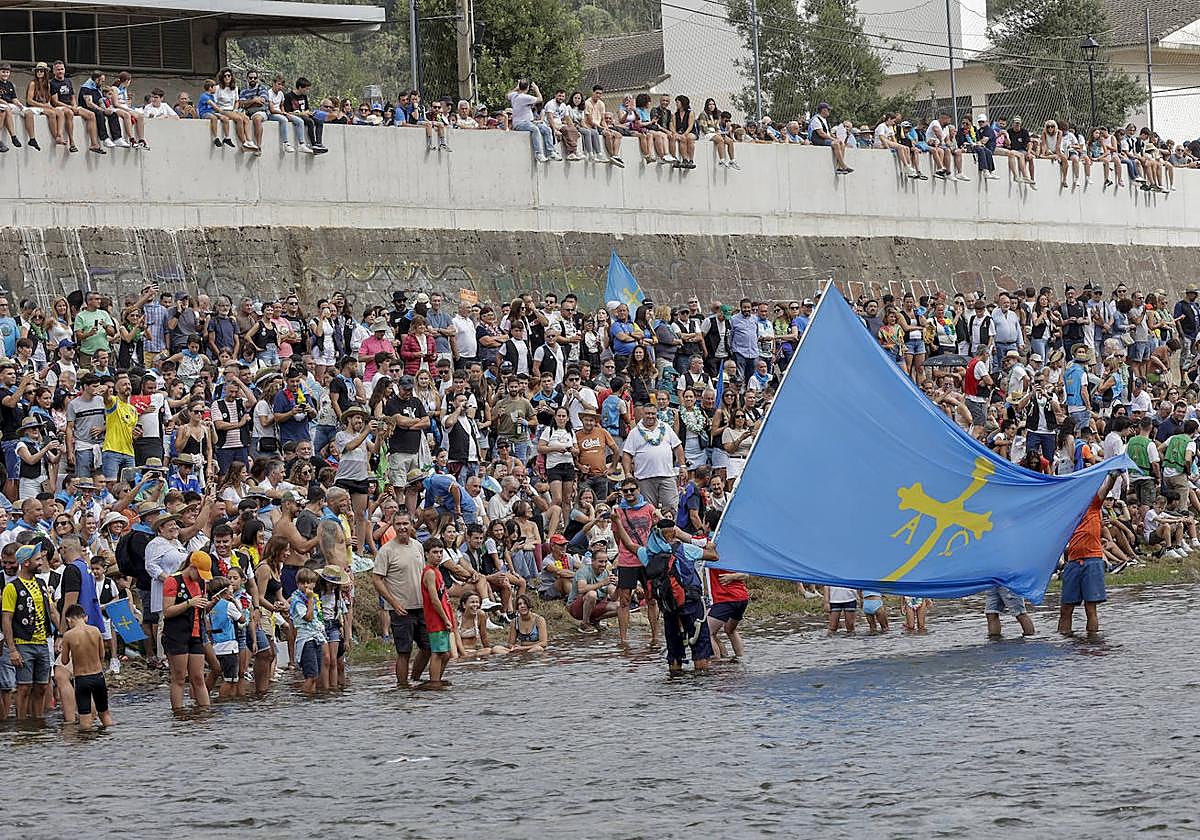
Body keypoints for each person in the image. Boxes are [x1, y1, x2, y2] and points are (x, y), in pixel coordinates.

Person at [1059, 471, 1120, 635]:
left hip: (1092, 560)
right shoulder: (1067, 511)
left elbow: (1106, 489)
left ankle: (1093, 643)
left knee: (1090, 608)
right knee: (1066, 608)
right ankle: (1064, 643)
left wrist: (1113, 476)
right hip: (1072, 561)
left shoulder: (1093, 504)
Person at [372, 512, 429, 688]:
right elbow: (377, 580)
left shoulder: (418, 546)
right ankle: (402, 686)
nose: (402, 527)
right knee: (404, 651)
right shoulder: (386, 550)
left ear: (411, 524)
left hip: (421, 606)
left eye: (405, 523)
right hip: (400, 608)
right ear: (393, 526)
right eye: (398, 524)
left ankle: (415, 679)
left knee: (428, 647)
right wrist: (393, 603)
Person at [1, 542, 56, 720]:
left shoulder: (41, 583)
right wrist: (12, 649)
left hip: (42, 642)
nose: (41, 562)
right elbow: (6, 619)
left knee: (41, 686)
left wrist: (61, 634)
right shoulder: (12, 587)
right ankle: (22, 724)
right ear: (26, 563)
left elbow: (52, 611)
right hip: (23, 643)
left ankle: (38, 722)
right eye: (37, 559)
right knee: (24, 687)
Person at [161, 549, 214, 710]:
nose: (200, 578)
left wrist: (211, 603)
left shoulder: (202, 583)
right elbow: (167, 611)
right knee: (179, 677)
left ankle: (205, 713)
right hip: (176, 633)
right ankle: (178, 713)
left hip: (196, 632)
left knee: (198, 677)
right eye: (199, 573)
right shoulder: (173, 581)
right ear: (192, 567)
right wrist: (189, 603)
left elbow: (202, 609)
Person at [60, 603, 113, 727]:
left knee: (85, 718)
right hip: (98, 677)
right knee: (104, 714)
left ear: (69, 620)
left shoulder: (68, 635)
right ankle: (111, 741)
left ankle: (86, 743)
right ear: (85, 617)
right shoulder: (95, 631)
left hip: (82, 679)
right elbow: (102, 655)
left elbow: (64, 661)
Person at [419, 538, 453, 688]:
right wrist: (445, 618)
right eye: (434, 552)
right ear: (427, 554)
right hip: (435, 618)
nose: (438, 555)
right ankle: (434, 681)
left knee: (446, 653)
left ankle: (437, 678)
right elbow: (434, 599)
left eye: (440, 552)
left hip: (443, 615)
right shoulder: (430, 573)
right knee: (438, 653)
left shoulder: (437, 571)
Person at [289, 567, 326, 694]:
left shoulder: (314, 598)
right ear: (297, 584)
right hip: (306, 639)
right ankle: (303, 699)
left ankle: (311, 701)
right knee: (311, 676)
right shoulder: (297, 599)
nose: (305, 586)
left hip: (316, 636)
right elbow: (308, 617)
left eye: (308, 582)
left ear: (314, 584)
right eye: (302, 583)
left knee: (316, 676)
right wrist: (310, 600)